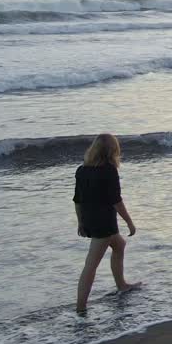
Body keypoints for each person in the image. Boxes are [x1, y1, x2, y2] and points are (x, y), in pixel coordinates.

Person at [74, 133, 140, 314]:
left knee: (119, 245)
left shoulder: (82, 170)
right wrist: (130, 222)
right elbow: (116, 201)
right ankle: (80, 308)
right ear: (112, 150)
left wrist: (80, 222)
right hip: (104, 223)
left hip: (90, 219)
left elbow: (77, 200)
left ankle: (121, 285)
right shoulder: (109, 170)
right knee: (91, 265)